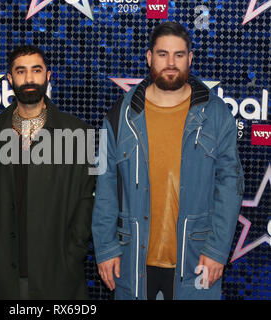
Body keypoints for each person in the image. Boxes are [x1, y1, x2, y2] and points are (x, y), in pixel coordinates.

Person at [91, 22, 244, 300]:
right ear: (149, 57)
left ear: (190, 58)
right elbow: (104, 188)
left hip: (197, 258)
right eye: (162, 54)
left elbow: (230, 186)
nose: (170, 63)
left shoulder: (217, 116)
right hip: (132, 258)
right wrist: (106, 248)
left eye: (179, 55)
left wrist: (217, 250)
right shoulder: (118, 117)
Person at [0, 45, 95, 299]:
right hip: (1, 274)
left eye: (36, 70)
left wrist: (74, 250)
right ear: (9, 78)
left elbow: (88, 199)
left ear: (48, 75)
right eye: (21, 71)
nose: (29, 79)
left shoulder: (79, 134)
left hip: (58, 273)